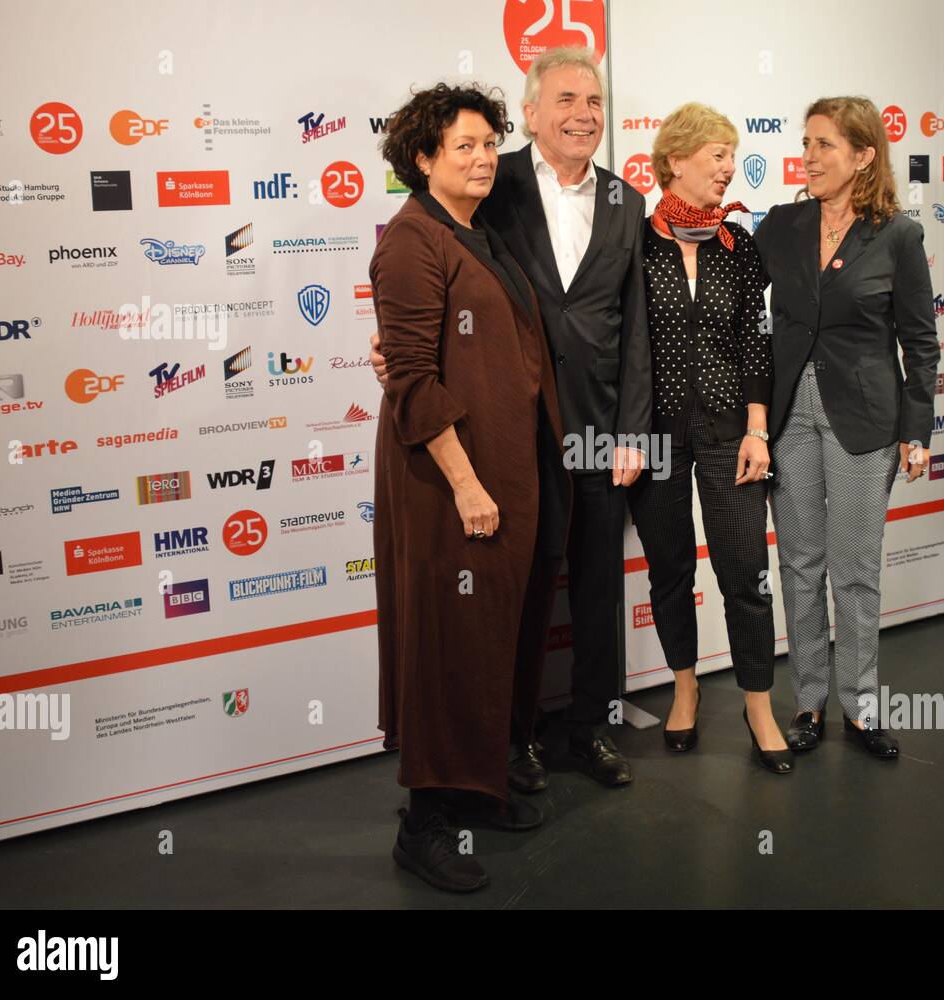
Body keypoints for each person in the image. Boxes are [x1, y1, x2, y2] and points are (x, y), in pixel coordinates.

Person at [372, 47, 650, 790]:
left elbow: (636, 326)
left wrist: (631, 427)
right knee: (515, 591)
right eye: (565, 99)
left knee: (595, 586)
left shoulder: (628, 201)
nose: (582, 114)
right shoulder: (492, 186)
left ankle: (590, 728)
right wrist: (395, 353)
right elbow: (434, 291)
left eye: (593, 100)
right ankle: (511, 741)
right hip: (511, 434)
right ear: (530, 113)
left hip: (594, 427)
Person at [372, 82, 572, 892]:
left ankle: (478, 789)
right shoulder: (411, 240)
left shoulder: (478, 232)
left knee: (496, 635)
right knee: (447, 644)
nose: (484, 156)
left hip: (510, 471)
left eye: (490, 143)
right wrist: (465, 484)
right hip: (449, 481)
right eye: (464, 145)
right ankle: (423, 824)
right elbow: (413, 380)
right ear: (423, 159)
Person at [752, 96, 940, 760]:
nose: (808, 155)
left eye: (824, 144)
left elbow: (921, 342)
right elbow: (738, 297)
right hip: (787, 416)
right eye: (806, 142)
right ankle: (808, 703)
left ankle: (860, 708)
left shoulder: (899, 237)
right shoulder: (781, 224)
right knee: (799, 565)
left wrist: (919, 430)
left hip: (865, 418)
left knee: (854, 569)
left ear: (864, 156)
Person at [627, 103, 792, 774]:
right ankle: (685, 686)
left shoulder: (738, 244)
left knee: (745, 574)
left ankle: (757, 703)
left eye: (732, 154)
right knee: (670, 571)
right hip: (658, 437)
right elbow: (621, 347)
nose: (730, 167)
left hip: (732, 435)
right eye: (717, 155)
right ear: (675, 161)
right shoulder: (635, 242)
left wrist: (758, 429)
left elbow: (757, 340)